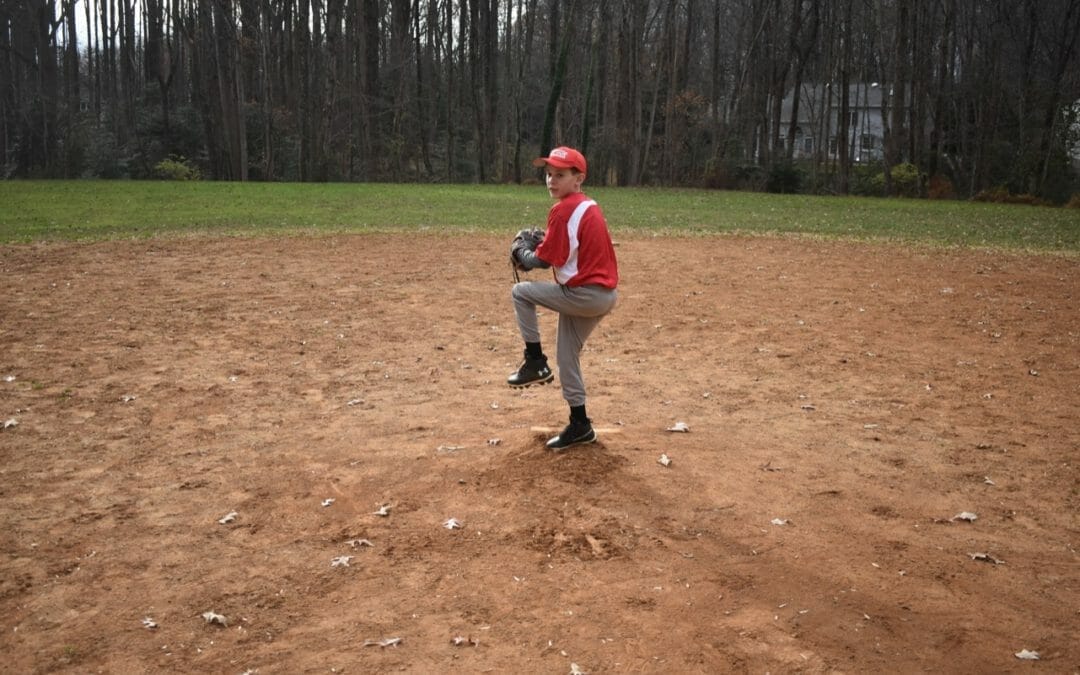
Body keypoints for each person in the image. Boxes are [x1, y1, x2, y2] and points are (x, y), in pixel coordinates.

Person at [508, 146, 619, 450]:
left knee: (520, 293)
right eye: (548, 174)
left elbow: (544, 261)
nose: (551, 180)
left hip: (584, 294)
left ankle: (534, 362)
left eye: (560, 174)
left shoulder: (564, 209)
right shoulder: (586, 205)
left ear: (578, 178)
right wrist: (542, 244)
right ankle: (580, 424)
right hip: (601, 294)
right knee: (567, 357)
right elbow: (566, 247)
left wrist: (523, 254)